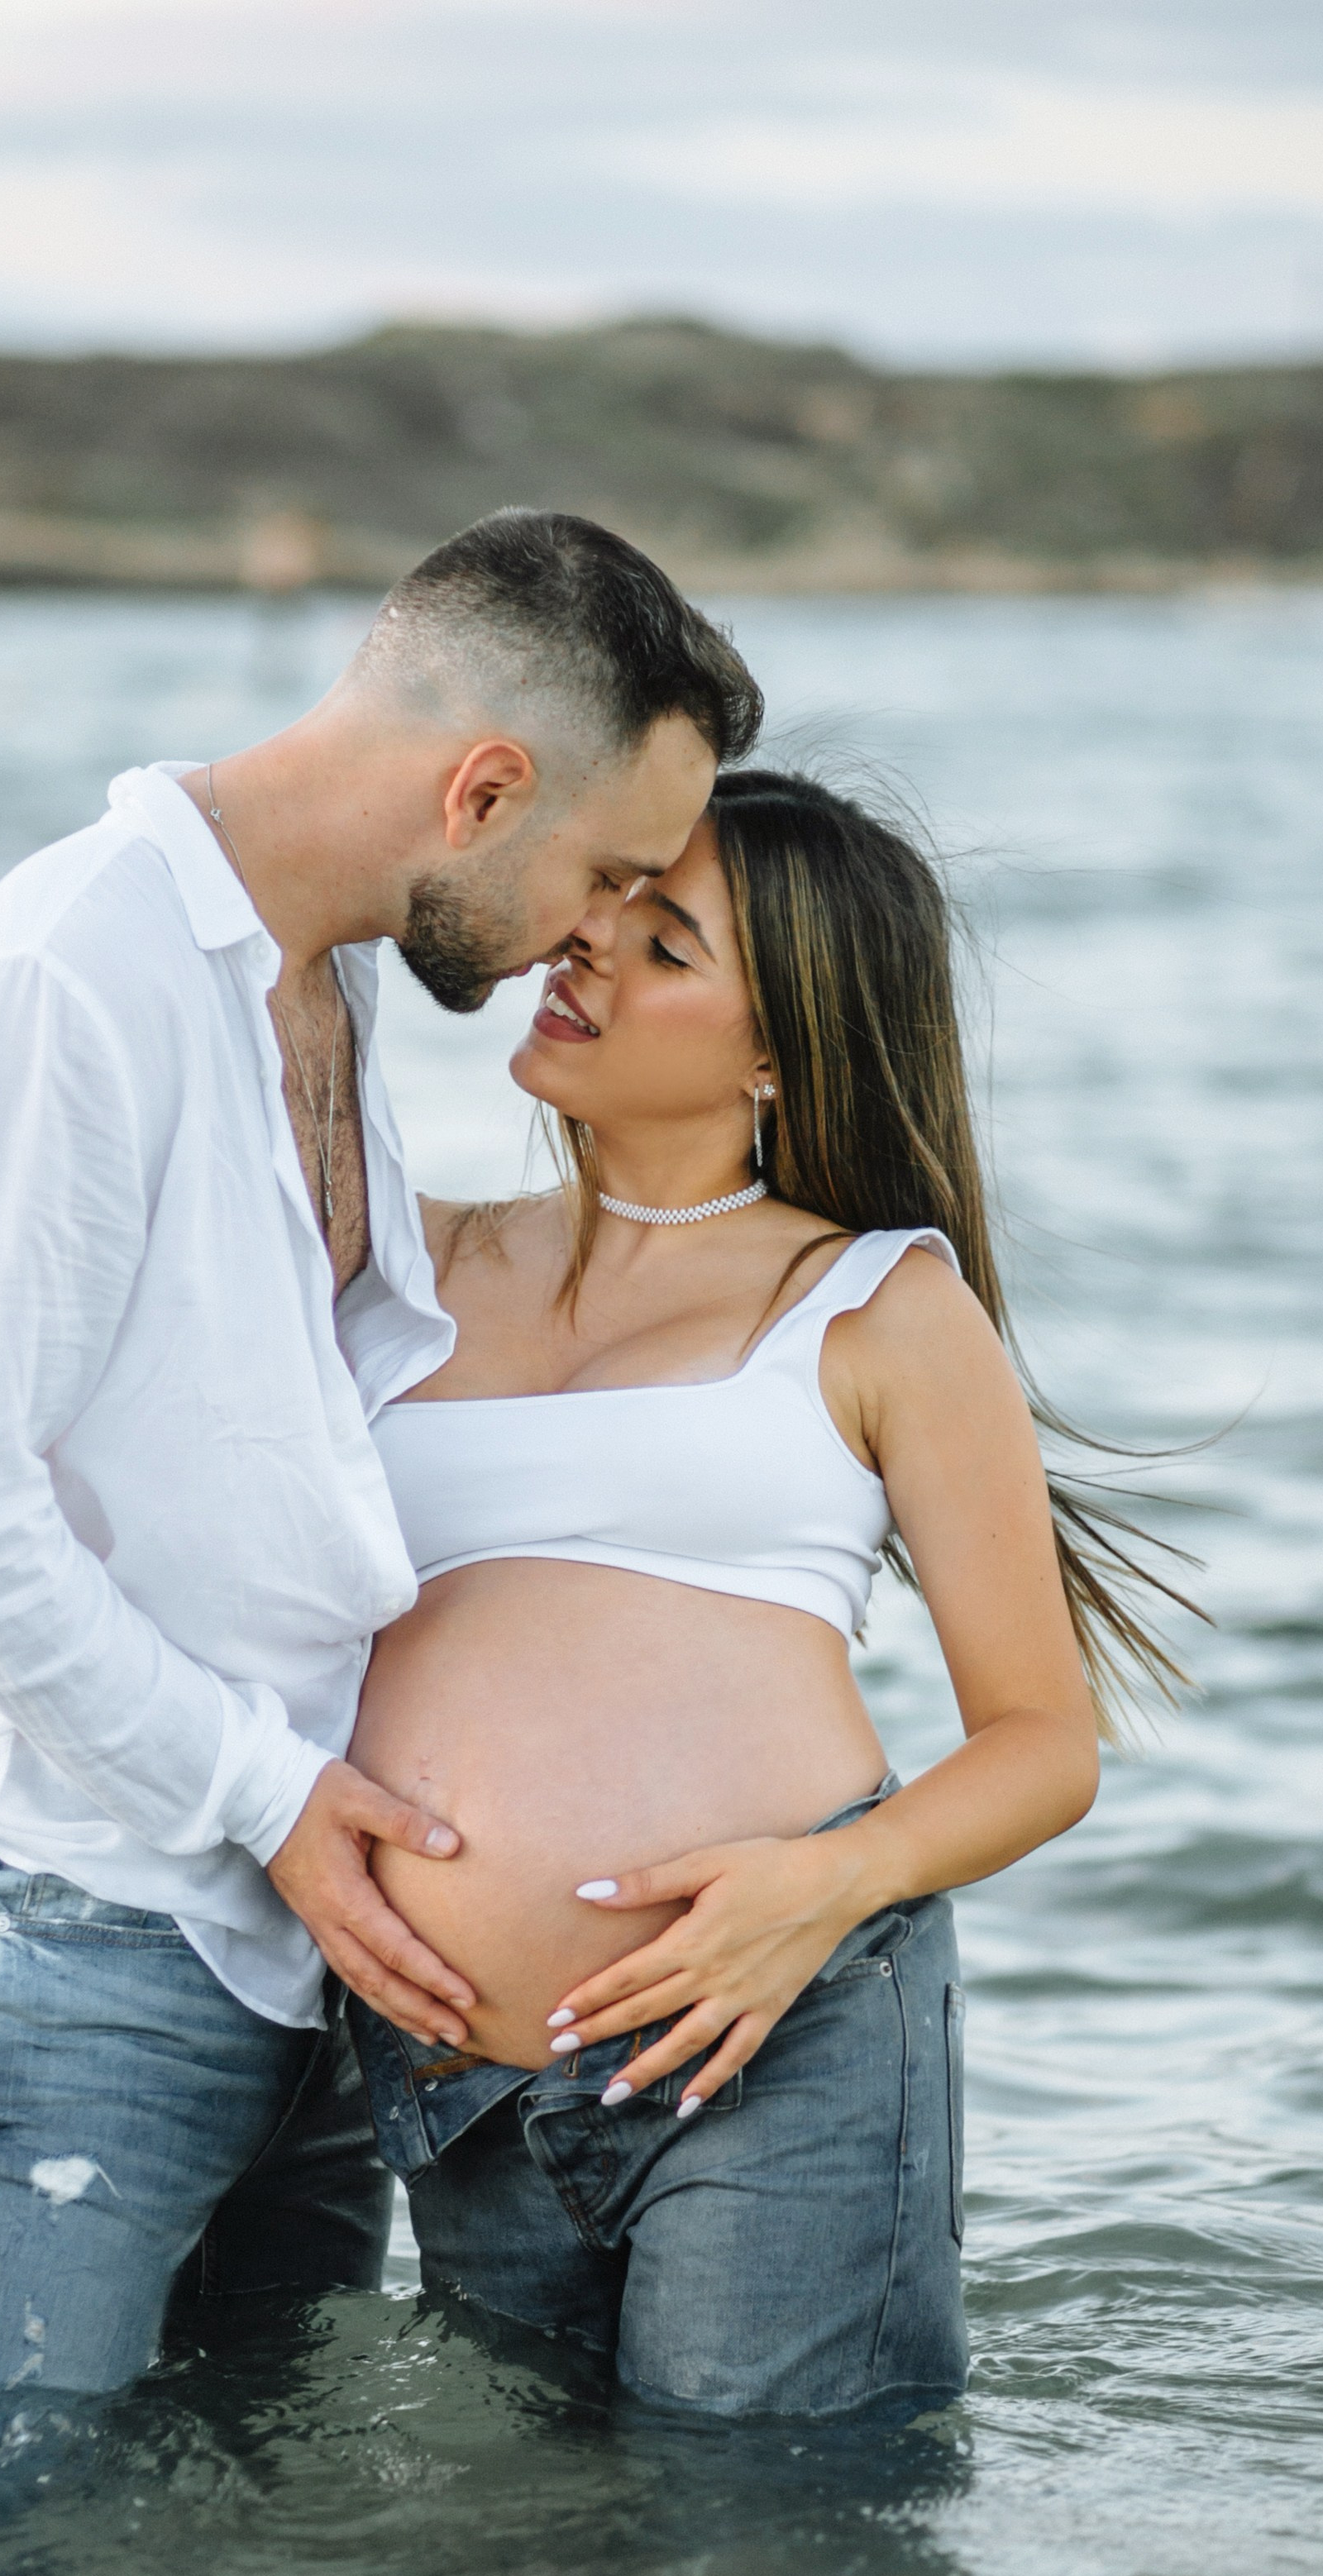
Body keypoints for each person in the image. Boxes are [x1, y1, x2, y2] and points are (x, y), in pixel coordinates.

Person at [0, 509, 765, 2422]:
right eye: (603, 868)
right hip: (74, 1912)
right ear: (483, 787)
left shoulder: (310, 985)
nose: (594, 929)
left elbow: (212, 1445)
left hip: (300, 1961)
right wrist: (256, 1789)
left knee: (239, 2560)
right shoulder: (64, 980)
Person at [338, 768, 1192, 2418]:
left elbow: (1040, 1741)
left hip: (775, 2042)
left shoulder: (875, 1302)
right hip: (457, 2076)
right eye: (598, 908)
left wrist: (821, 1889)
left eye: (658, 943)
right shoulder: (409, 1260)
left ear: (770, 1052)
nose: (579, 952)